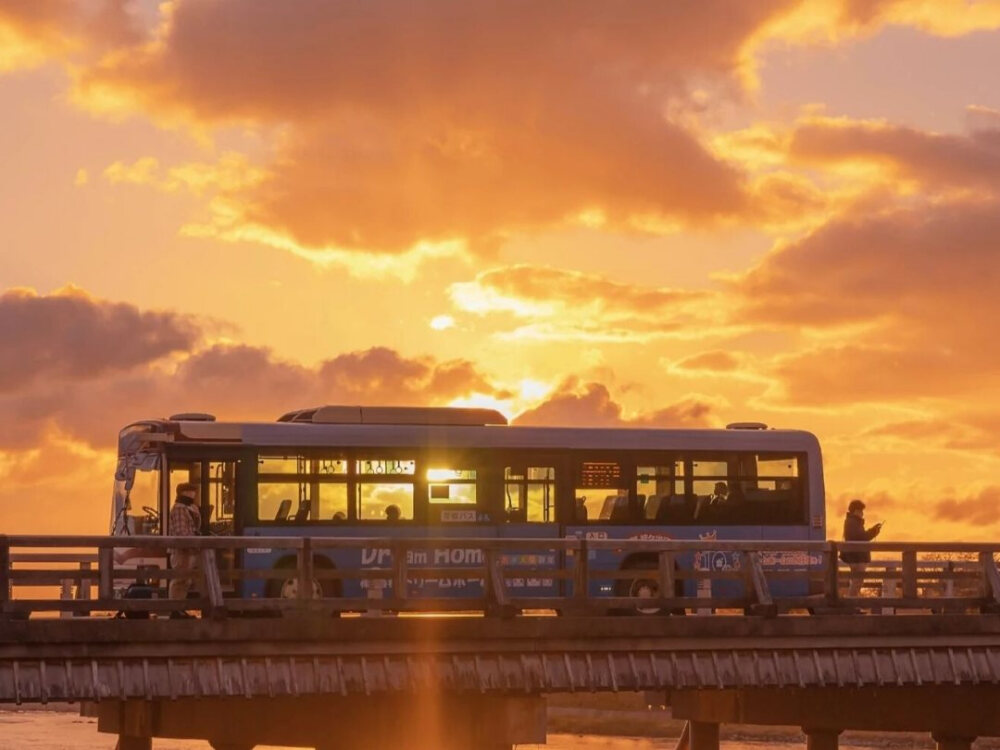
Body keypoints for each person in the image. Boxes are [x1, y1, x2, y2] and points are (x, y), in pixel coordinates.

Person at [168, 482, 202, 619]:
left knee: (185, 580)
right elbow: (182, 533)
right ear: (184, 492)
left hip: (190, 550)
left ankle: (179, 608)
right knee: (180, 579)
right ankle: (175, 610)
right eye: (191, 491)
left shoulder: (191, 508)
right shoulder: (179, 509)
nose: (194, 494)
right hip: (182, 551)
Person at [841, 499, 883, 597]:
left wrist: (873, 531)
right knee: (857, 582)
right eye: (861, 511)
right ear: (856, 511)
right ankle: (852, 605)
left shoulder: (851, 522)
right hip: (857, 557)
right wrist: (873, 532)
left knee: (856, 582)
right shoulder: (853, 522)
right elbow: (861, 537)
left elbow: (860, 536)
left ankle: (853, 605)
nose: (862, 513)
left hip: (855, 557)